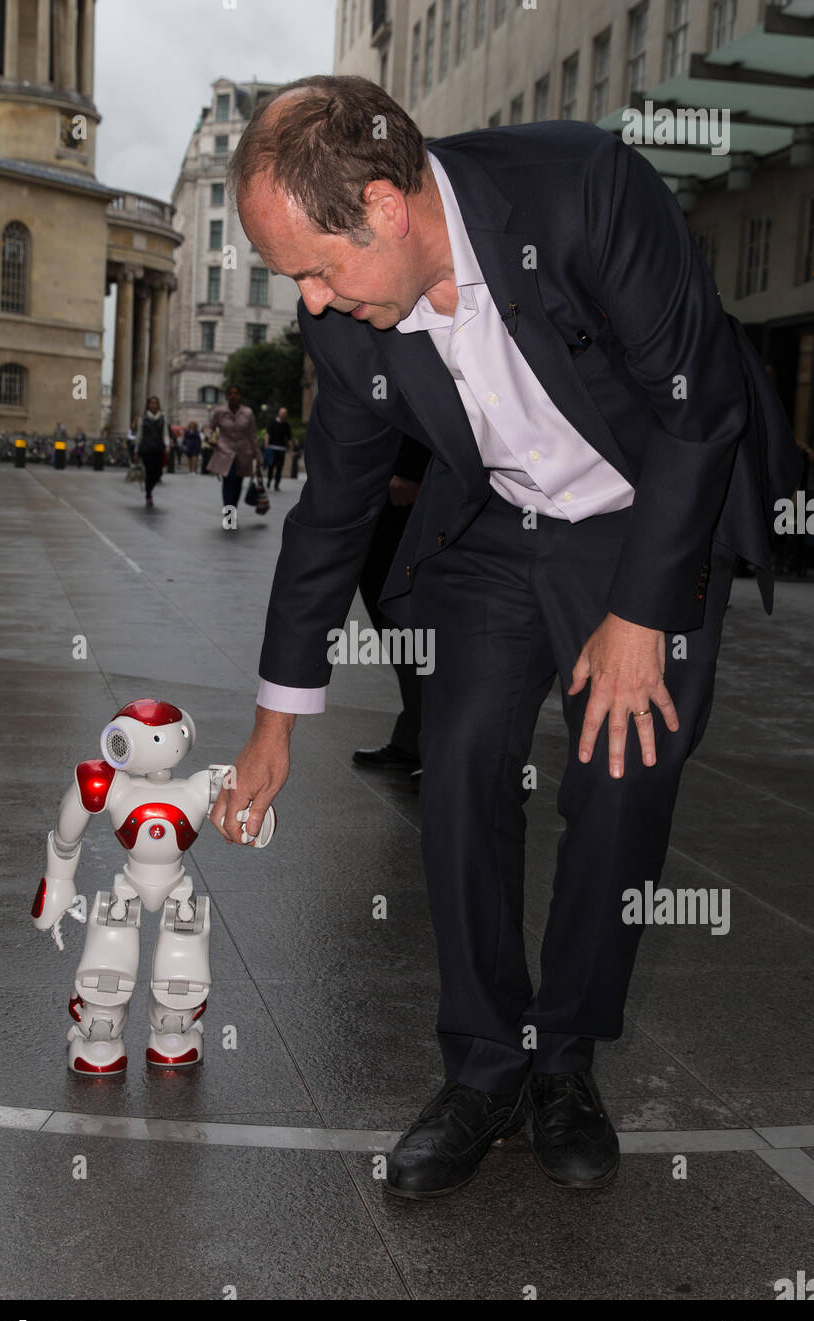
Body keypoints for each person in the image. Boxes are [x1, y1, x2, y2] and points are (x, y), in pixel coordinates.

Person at [211, 76, 802, 1200]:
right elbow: (331, 511)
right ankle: (482, 1066)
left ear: (384, 207)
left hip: (647, 512)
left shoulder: (580, 192)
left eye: (316, 268)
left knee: (623, 782)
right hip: (496, 530)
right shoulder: (344, 323)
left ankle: (564, 1061)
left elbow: (700, 404)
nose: (314, 302)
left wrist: (640, 610)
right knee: (464, 763)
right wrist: (274, 721)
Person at [353, 434, 431, 778]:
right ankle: (417, 738)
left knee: (407, 622)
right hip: (385, 488)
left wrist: (411, 467)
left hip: (405, 492)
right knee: (399, 626)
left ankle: (432, 746)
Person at [207, 385, 264, 526]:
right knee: (228, 482)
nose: (233, 396)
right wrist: (209, 437)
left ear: (240, 396)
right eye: (231, 393)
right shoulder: (219, 411)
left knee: (237, 484)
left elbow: (252, 435)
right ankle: (229, 517)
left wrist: (258, 455)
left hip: (243, 453)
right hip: (225, 452)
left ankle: (233, 510)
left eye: (236, 393)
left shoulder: (248, 413)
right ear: (227, 396)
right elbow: (208, 426)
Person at [135, 396, 170, 507]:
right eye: (151, 403)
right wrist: (136, 450)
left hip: (158, 448)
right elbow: (139, 434)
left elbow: (165, 433)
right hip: (146, 448)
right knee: (150, 471)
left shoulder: (163, 418)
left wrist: (167, 445)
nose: (153, 405)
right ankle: (149, 494)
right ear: (148, 405)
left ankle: (148, 489)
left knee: (158, 472)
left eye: (155, 403)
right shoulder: (143, 418)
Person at [263, 407, 292, 491]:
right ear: (279, 413)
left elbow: (289, 438)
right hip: (272, 448)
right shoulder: (272, 423)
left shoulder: (287, 425)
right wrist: (266, 444)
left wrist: (291, 450)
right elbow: (267, 434)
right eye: (282, 413)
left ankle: (276, 484)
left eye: (285, 413)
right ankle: (269, 480)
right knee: (271, 466)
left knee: (279, 468)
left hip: (281, 449)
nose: (283, 414)